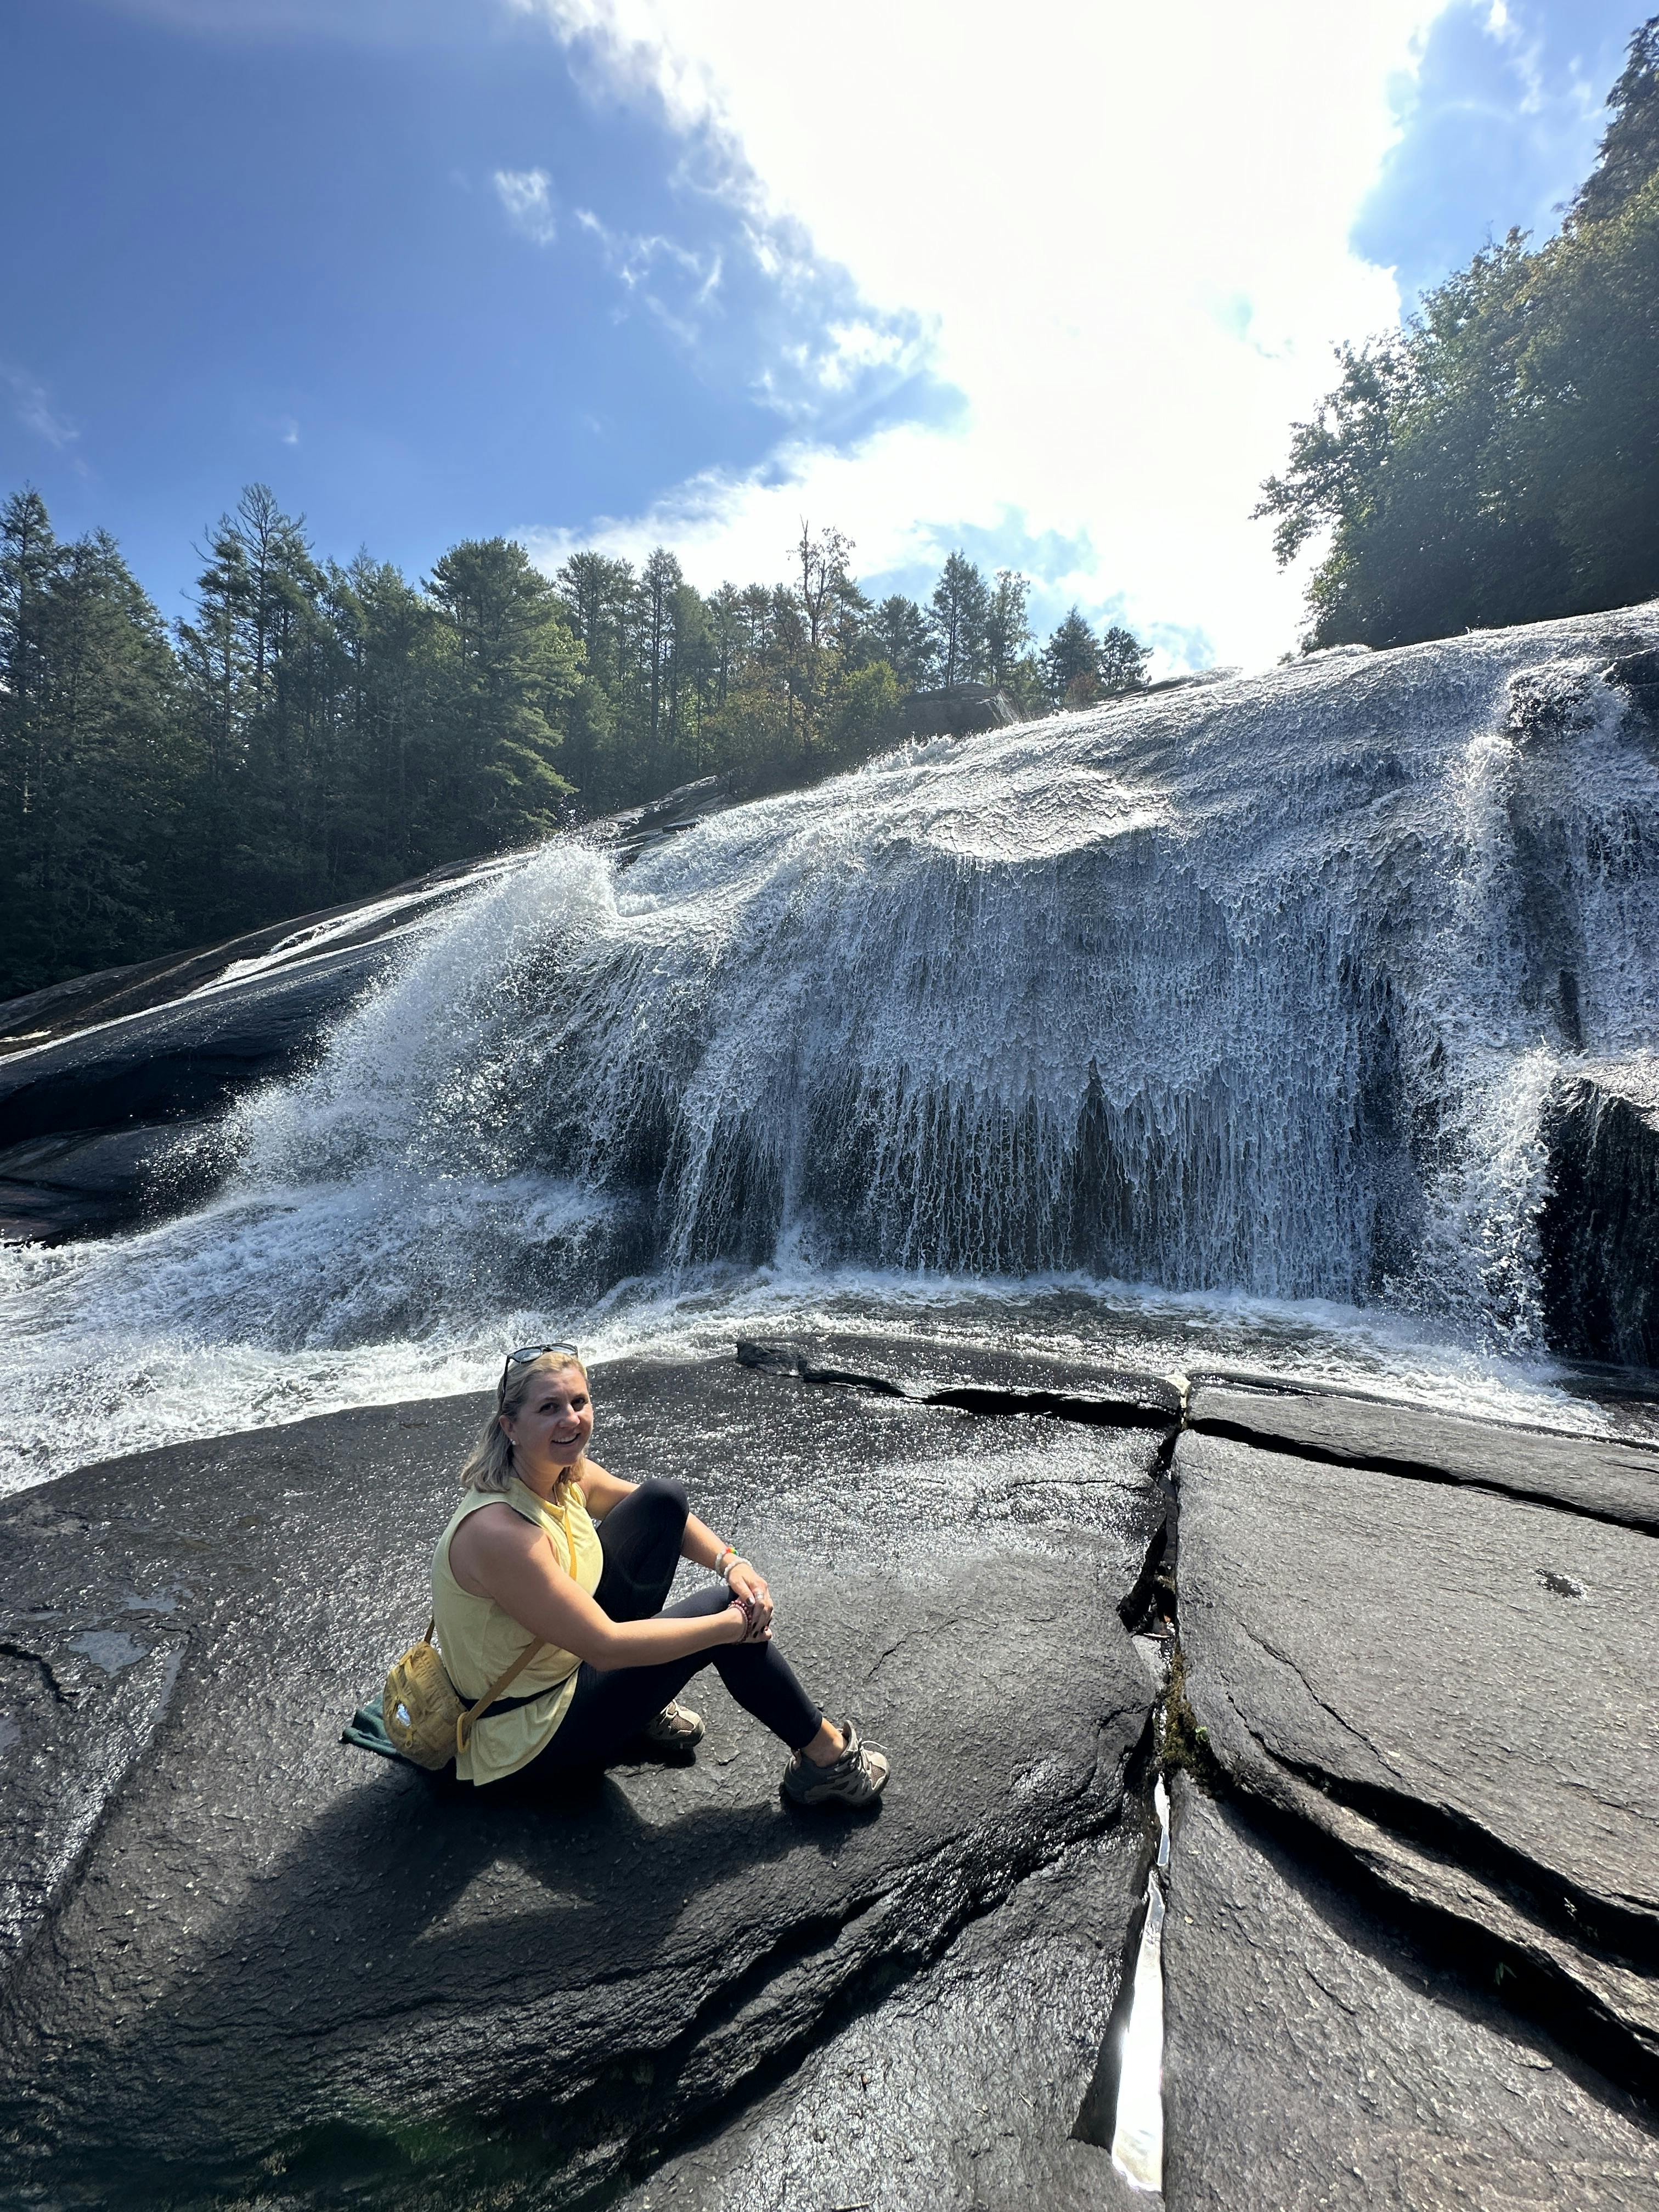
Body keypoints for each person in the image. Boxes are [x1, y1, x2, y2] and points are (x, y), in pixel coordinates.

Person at [431, 1344, 889, 1808]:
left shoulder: (561, 1473)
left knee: (661, 1502)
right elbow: (606, 1647)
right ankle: (828, 1762)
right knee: (717, 1609)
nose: (570, 1419)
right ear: (510, 1425)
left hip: (562, 1669)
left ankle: (636, 1711)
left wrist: (734, 1563)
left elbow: (667, 1514)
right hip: (527, 1734)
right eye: (549, 1408)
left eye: (579, 1402)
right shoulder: (499, 1532)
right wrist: (734, 1626)